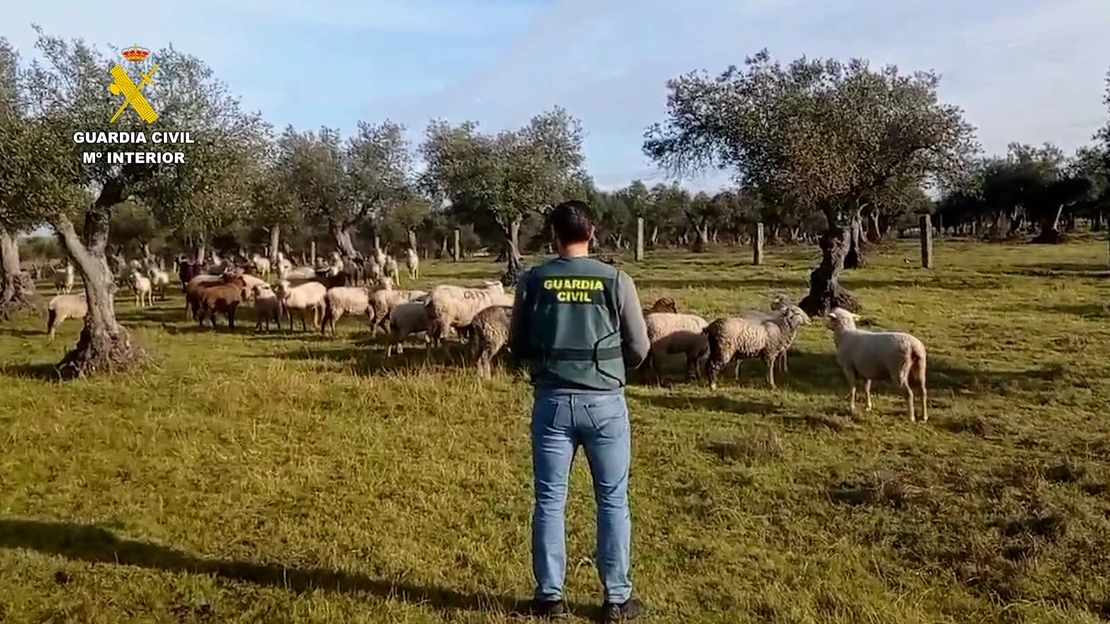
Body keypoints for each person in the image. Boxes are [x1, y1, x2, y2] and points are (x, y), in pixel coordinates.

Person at [507, 200, 651, 621]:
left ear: (553, 235)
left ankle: (548, 597)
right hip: (605, 404)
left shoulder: (533, 280)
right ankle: (616, 599)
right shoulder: (616, 279)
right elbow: (640, 347)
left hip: (551, 402)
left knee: (550, 500)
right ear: (592, 232)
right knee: (612, 499)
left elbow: (517, 343)